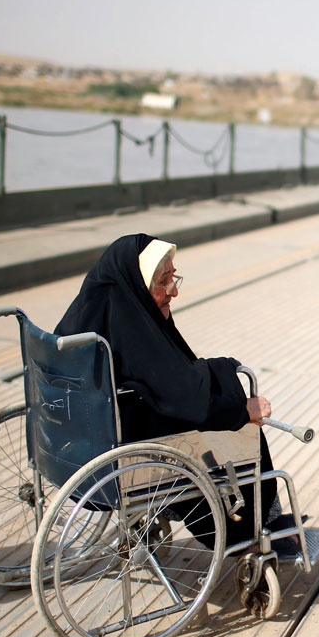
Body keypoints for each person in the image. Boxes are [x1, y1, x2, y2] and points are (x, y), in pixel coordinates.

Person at [55, 233, 280, 547]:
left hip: (79, 441)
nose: (173, 290)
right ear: (137, 282)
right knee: (234, 427)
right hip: (120, 453)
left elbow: (165, 378)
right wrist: (242, 408)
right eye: (163, 281)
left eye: (174, 277)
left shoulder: (102, 299)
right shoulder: (129, 323)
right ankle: (250, 531)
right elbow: (187, 398)